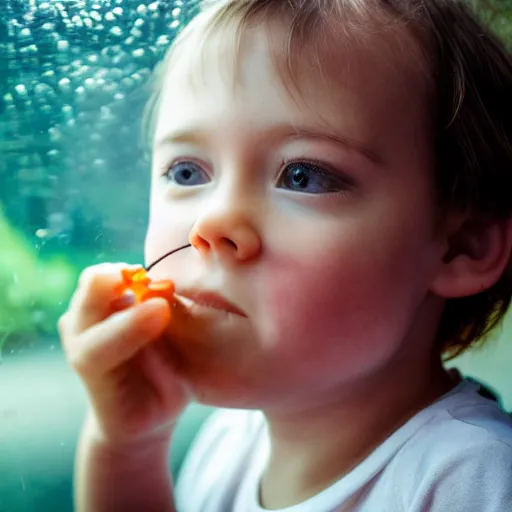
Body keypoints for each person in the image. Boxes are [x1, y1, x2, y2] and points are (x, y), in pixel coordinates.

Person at [58, 0, 512, 510]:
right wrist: (128, 446)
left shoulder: (475, 479)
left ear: (461, 246)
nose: (210, 224)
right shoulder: (228, 445)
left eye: (304, 175)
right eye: (187, 172)